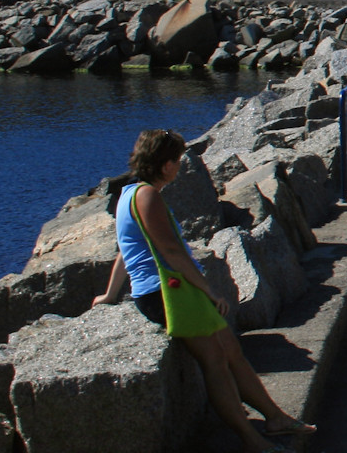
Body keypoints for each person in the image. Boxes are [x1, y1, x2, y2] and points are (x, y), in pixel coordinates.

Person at [94, 130, 313, 453]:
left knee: (232, 352)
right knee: (215, 361)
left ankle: (275, 417)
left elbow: (125, 251)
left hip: (168, 288)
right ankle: (251, 440)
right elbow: (171, 251)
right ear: (166, 164)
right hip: (164, 293)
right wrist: (210, 291)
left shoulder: (129, 193)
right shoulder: (147, 196)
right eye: (179, 160)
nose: (181, 166)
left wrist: (111, 294)